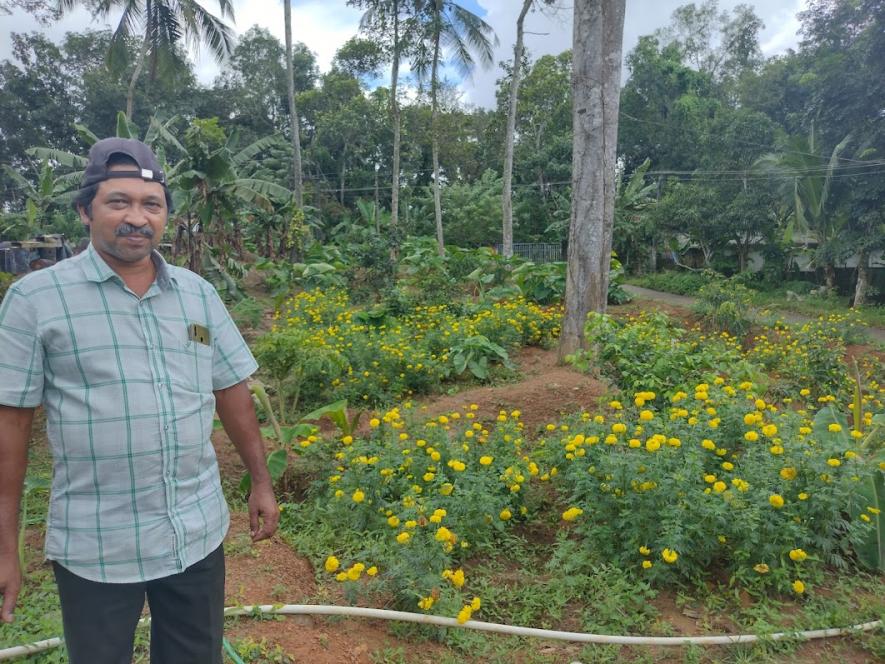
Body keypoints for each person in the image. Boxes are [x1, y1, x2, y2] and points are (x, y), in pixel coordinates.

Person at [0, 138, 278, 663]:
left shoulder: (198, 294)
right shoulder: (36, 300)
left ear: (166, 216)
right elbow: (10, 424)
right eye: (118, 202)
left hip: (193, 531)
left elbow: (231, 389)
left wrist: (260, 482)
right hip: (97, 542)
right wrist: (5, 546)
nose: (137, 218)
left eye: (151, 205)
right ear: (86, 210)